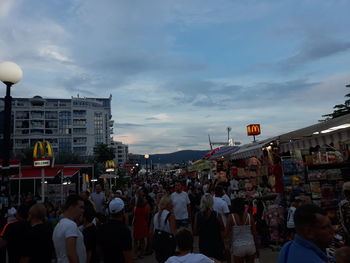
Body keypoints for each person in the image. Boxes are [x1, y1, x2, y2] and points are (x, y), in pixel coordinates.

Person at [97, 197, 133, 263]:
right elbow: (128, 258)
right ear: (123, 211)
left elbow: (99, 251)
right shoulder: (125, 231)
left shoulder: (102, 228)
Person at [53, 195, 86, 263]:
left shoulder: (59, 225)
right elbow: (71, 253)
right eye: (81, 207)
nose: (82, 211)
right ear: (71, 207)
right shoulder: (71, 225)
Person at [226, 198, 259, 263]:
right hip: (250, 246)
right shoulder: (249, 216)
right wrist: (257, 249)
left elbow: (226, 234)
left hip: (238, 247)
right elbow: (255, 234)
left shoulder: (231, 217)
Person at [194, 193, 225, 261]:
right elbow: (222, 229)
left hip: (203, 243)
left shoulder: (198, 215)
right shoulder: (216, 214)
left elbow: (195, 231)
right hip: (216, 243)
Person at [152, 195, 177, 263]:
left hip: (158, 243)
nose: (172, 205)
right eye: (171, 203)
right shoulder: (170, 216)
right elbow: (173, 232)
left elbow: (154, 230)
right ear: (167, 205)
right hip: (167, 244)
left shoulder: (156, 215)